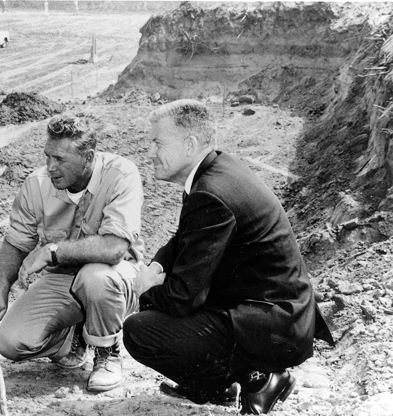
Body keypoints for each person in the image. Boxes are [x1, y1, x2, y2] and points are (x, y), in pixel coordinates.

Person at [122, 99, 333, 414]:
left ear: (190, 144)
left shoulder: (210, 191)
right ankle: (218, 385)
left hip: (274, 325)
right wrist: (157, 266)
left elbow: (182, 299)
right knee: (161, 302)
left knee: (141, 330)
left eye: (157, 143)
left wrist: (146, 287)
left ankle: (260, 379)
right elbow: (184, 238)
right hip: (271, 311)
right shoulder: (215, 169)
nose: (151, 153)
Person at [0, 114, 144, 392]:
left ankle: (107, 352)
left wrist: (51, 251)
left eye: (60, 160)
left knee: (95, 279)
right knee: (12, 342)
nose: (50, 167)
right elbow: (16, 243)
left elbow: (114, 248)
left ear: (88, 157)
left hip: (116, 276)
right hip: (64, 280)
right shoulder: (37, 184)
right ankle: (76, 335)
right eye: (47, 156)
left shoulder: (121, 174)